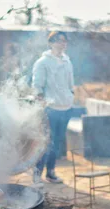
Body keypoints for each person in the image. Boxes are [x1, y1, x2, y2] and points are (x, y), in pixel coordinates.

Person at [32, 31, 75, 184]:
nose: (62, 44)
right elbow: (37, 87)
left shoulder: (67, 62)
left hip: (66, 108)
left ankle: (51, 173)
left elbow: (71, 84)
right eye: (58, 41)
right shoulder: (43, 62)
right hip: (50, 109)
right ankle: (37, 175)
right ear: (50, 43)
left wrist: (71, 96)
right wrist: (43, 105)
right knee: (46, 143)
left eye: (64, 41)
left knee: (57, 143)